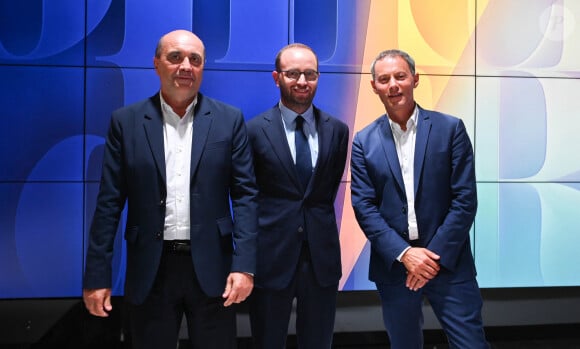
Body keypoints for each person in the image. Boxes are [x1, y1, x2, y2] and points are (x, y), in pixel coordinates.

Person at [82, 29, 258, 349]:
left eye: (195, 59)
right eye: (175, 57)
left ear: (203, 67)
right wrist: (96, 275)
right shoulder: (127, 122)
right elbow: (109, 203)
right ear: (157, 64)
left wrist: (244, 265)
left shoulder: (229, 120)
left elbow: (246, 197)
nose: (186, 66)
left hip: (213, 269)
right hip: (151, 269)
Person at [350, 49, 489, 349]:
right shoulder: (363, 141)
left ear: (415, 79)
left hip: (448, 262)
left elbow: (465, 199)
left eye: (400, 76)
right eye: (384, 79)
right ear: (374, 86)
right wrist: (406, 254)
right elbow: (364, 207)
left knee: (471, 345)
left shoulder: (450, 129)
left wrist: (430, 258)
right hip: (396, 267)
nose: (393, 85)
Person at [246, 43, 349, 349]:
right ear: (277, 77)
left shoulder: (338, 131)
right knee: (267, 341)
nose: (302, 81)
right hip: (271, 257)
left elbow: (324, 192)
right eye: (293, 74)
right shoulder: (253, 130)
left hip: (321, 259)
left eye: (310, 74)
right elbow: (247, 196)